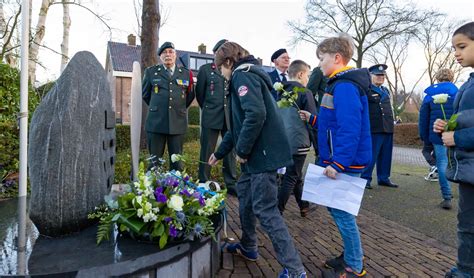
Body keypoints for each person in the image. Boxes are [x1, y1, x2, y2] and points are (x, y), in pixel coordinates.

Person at [208, 41, 306, 278]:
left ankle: (295, 270)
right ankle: (249, 246)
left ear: (229, 62)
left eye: (220, 67)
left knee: (266, 210)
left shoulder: (243, 76)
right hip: (255, 157)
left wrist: (241, 151)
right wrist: (219, 153)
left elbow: (256, 114)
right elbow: (237, 126)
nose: (220, 72)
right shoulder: (243, 77)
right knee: (245, 197)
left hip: (261, 155)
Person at [299, 34, 371, 278]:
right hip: (343, 159)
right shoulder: (339, 84)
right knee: (338, 210)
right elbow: (336, 122)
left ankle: (354, 265)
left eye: (322, 59)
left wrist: (338, 163)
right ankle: (351, 255)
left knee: (342, 213)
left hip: (345, 162)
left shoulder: (345, 86)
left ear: (337, 58)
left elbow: (350, 128)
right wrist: (314, 119)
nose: (319, 64)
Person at [435, 21, 474, 278]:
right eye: (454, 48)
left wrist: (457, 137)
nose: (456, 53)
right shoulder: (468, 82)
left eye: (462, 46)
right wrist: (445, 125)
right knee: (467, 223)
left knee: (469, 225)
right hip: (469, 169)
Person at [142, 41, 195, 171]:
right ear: (160, 56)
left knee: (177, 163)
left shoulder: (186, 74)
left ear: (175, 55)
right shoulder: (151, 72)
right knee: (154, 162)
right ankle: (153, 189)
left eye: (171, 52)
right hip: (156, 123)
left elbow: (190, 95)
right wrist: (159, 108)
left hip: (177, 122)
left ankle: (175, 189)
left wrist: (178, 108)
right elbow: (145, 95)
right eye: (164, 52)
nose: (168, 55)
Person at [196, 39, 237, 195]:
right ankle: (203, 181)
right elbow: (200, 95)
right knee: (207, 149)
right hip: (211, 116)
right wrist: (209, 109)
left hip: (229, 118)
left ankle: (231, 182)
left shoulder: (234, 70)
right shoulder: (206, 70)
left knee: (229, 152)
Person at [276, 60, 317, 217]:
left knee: (295, 173)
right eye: (307, 75)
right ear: (300, 74)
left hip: (283, 141)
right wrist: (319, 147)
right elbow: (312, 120)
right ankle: (277, 211)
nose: (308, 79)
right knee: (292, 176)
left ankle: (303, 206)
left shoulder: (281, 92)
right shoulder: (305, 92)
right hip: (299, 141)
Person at [419, 68, 458, 209]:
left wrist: (424, 135)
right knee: (457, 162)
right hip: (455, 134)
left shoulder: (429, 95)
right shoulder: (458, 92)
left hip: (437, 134)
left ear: (437, 78)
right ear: (451, 78)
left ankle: (447, 196)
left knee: (442, 163)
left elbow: (423, 118)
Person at [361, 64, 398, 189]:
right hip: (374, 127)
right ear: (370, 76)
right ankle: (365, 178)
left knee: (386, 155)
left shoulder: (386, 91)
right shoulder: (366, 90)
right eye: (377, 75)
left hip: (387, 127)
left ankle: (383, 177)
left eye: (382, 75)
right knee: (371, 155)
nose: (380, 77)